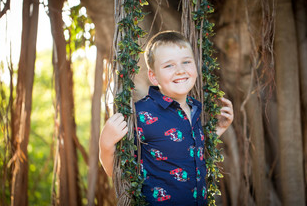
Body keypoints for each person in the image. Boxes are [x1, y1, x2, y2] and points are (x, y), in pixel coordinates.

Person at [99, 31, 234, 205]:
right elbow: (117, 172)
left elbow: (189, 150)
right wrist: (106, 144)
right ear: (153, 76)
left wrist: (217, 130)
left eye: (186, 62)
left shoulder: (196, 108)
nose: (180, 70)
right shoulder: (140, 114)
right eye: (169, 66)